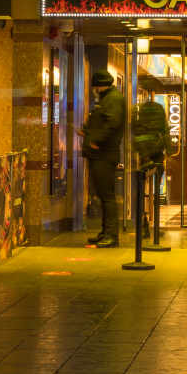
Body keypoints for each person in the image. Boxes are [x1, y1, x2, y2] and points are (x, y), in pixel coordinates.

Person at [80, 70, 126, 248]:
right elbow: (103, 122)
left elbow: (112, 124)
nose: (93, 90)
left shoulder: (112, 99)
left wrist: (96, 141)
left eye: (94, 86)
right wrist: (88, 132)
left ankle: (111, 235)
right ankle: (105, 232)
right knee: (103, 194)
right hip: (101, 154)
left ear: (99, 85)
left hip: (104, 154)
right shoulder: (108, 98)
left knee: (107, 196)